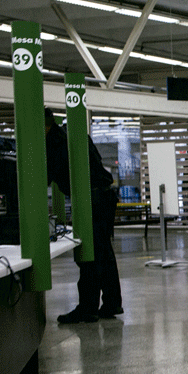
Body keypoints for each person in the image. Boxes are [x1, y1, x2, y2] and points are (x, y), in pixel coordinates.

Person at [45, 108, 123, 324]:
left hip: (93, 201)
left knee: (88, 255)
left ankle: (87, 308)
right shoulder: (76, 134)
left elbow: (47, 176)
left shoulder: (55, 143)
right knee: (104, 253)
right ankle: (111, 303)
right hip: (104, 198)